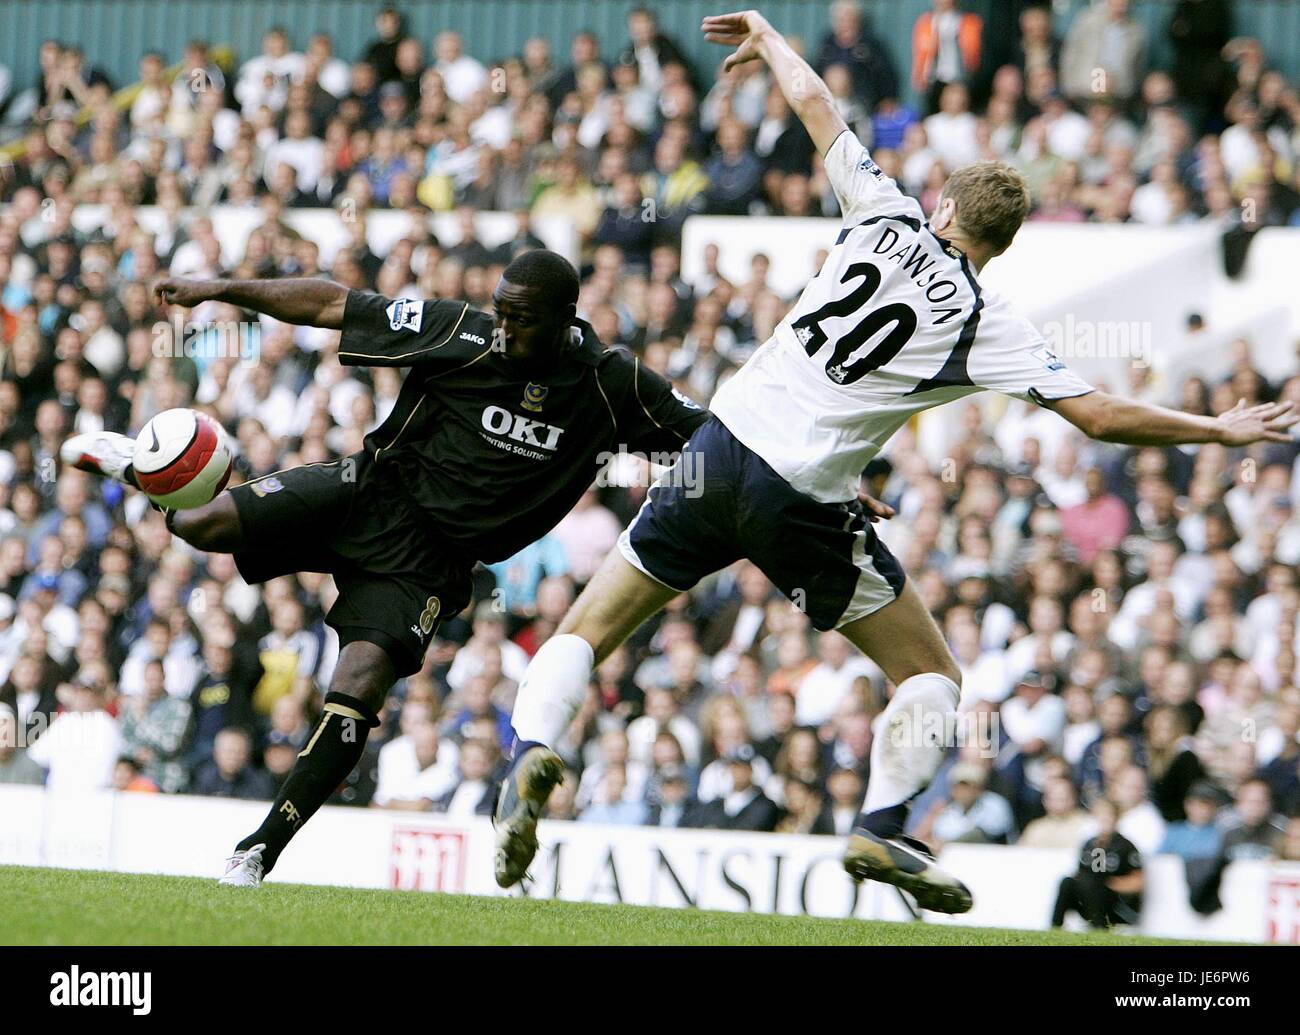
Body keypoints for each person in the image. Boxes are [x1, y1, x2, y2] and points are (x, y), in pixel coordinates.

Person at [491, 9, 1299, 914]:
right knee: (931, 676)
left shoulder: (881, 211)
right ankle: (881, 822)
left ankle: (527, 756)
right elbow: (1101, 417)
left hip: (717, 451)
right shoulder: (986, 322)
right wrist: (1219, 430)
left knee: (587, 631)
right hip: (804, 501)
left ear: (945, 208)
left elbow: (818, 105)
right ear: (1000, 245)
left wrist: (769, 36)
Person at [63, 249, 707, 885]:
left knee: (359, 687)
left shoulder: (612, 384)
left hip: (427, 564)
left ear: (566, 318)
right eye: (500, 314)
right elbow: (330, 303)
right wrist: (219, 287)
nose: (505, 330)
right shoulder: (462, 331)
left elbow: (710, 440)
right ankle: (135, 465)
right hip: (365, 492)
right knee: (200, 527)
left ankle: (257, 852)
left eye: (522, 320)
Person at [1051, 797, 1144, 929]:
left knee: (1095, 884)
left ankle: (1100, 926)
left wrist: (1109, 883)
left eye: (1108, 816)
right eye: (1101, 816)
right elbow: (1080, 873)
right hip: (1089, 898)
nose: (1104, 820)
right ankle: (1055, 926)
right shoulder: (1089, 844)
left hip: (1114, 903)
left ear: (1116, 818)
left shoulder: (1125, 847)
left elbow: (1138, 881)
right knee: (1067, 882)